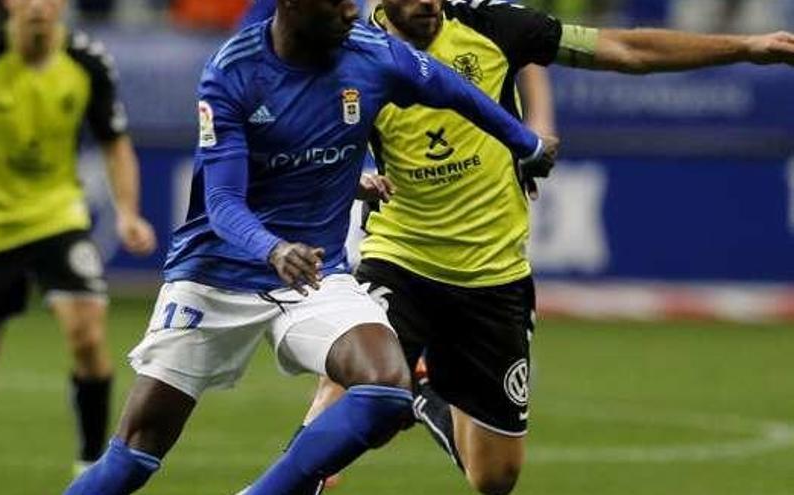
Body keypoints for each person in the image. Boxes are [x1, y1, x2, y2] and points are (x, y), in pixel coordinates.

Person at [240, 1, 794, 494]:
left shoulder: (496, 26)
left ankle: (423, 394)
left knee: (495, 477)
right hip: (400, 258)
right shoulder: (345, 46)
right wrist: (350, 174)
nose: (430, 3)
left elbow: (626, 48)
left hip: (494, 276)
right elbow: (287, 135)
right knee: (353, 390)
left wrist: (745, 47)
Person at [62, 0, 558, 493]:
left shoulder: (373, 52)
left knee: (386, 388)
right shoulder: (233, 71)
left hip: (313, 274)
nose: (352, 11)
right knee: (134, 456)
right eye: (338, 2)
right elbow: (222, 201)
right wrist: (273, 249)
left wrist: (525, 143)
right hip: (216, 274)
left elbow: (454, 91)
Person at [0, 0, 156, 493]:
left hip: (57, 216)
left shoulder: (88, 61)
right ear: (10, 5)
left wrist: (128, 212)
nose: (40, 7)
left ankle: (89, 466)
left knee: (87, 331)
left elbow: (115, 141)